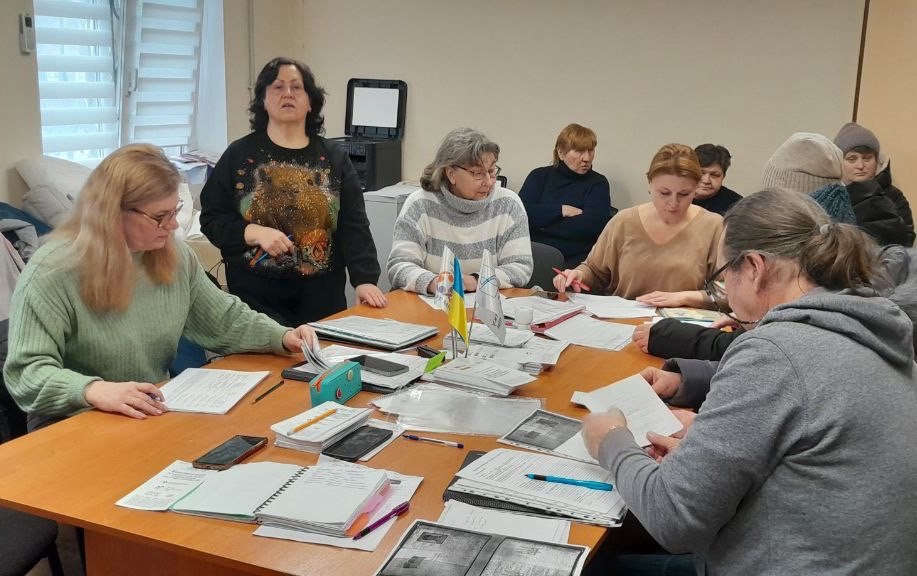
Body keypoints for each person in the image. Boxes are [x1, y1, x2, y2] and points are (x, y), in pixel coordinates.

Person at [583, 189, 917, 574]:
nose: (726, 292)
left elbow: (673, 518)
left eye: (724, 275)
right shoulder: (870, 330)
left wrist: (610, 440)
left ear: (755, 268)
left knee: (596, 562)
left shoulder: (774, 351)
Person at [3, 144, 318, 430]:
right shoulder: (53, 270)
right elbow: (27, 373)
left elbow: (223, 319)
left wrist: (280, 336)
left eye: (174, 211)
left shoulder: (172, 254)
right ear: (112, 212)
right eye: (159, 216)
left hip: (149, 408)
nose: (172, 225)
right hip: (74, 419)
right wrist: (93, 390)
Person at [200, 57, 386, 326]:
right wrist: (255, 232)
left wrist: (365, 280)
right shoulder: (238, 154)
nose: (287, 93)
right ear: (263, 100)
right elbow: (212, 219)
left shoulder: (334, 157)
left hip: (322, 299)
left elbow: (354, 224)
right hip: (255, 302)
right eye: (278, 87)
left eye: (297, 87)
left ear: (311, 102)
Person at [553, 143, 722, 307]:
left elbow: (727, 291)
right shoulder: (624, 222)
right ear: (650, 184)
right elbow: (594, 270)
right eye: (664, 193)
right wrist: (578, 275)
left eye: (684, 194)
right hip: (625, 319)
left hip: (684, 322)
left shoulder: (713, 226)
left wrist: (683, 298)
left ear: (695, 188)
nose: (673, 203)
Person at [387, 128, 533, 294]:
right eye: (478, 173)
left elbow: (520, 267)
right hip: (433, 302)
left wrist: (477, 280)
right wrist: (434, 283)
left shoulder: (508, 204)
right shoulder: (420, 204)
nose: (488, 182)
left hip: (487, 304)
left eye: (492, 171)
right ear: (451, 174)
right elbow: (399, 265)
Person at [519, 124, 612, 268]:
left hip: (576, 261)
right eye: (579, 151)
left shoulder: (598, 183)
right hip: (534, 255)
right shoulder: (539, 176)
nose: (587, 158)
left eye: (590, 150)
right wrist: (561, 210)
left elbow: (592, 226)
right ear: (561, 153)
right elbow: (520, 215)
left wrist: (542, 224)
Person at [833, 121, 915, 246]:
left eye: (867, 158)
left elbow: (907, 239)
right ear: (839, 162)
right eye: (852, 159)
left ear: (877, 161)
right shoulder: (830, 194)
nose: (860, 165)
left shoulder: (893, 196)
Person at [691, 144, 741, 215]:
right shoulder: (676, 196)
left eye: (714, 175)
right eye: (701, 173)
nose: (706, 181)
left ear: (723, 177)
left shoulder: (737, 205)